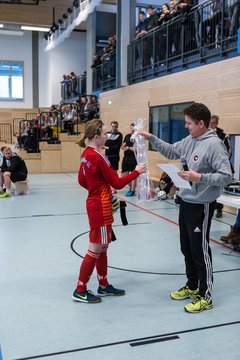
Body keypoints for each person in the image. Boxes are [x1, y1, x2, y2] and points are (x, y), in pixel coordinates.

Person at [139, 102, 232, 313]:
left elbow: (226, 176)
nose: (186, 126)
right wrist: (150, 137)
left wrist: (200, 177)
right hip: (186, 202)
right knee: (187, 248)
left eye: (189, 123)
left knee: (200, 251)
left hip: (202, 205)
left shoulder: (214, 145)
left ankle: (205, 295)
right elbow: (171, 150)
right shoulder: (191, 139)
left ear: (201, 123)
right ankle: (192, 286)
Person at [72, 119, 146, 303]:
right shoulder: (97, 156)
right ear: (96, 136)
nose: (107, 136)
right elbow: (118, 183)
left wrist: (98, 187)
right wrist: (137, 171)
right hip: (101, 207)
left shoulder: (87, 154)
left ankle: (103, 285)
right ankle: (80, 289)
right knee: (95, 248)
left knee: (103, 247)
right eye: (105, 134)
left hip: (96, 202)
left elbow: (82, 180)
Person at [209, 114, 233, 218]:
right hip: (209, 168)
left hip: (220, 167)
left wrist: (221, 162)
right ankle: (210, 206)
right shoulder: (204, 134)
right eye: (209, 123)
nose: (211, 125)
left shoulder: (223, 135)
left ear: (217, 123)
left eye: (213, 123)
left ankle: (219, 209)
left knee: (219, 190)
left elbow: (229, 151)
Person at [121, 123, 138, 197]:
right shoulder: (127, 136)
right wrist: (123, 146)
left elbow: (137, 149)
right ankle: (131, 187)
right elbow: (123, 145)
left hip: (133, 157)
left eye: (133, 128)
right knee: (124, 175)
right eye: (131, 128)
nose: (132, 130)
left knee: (133, 174)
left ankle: (132, 190)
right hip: (126, 157)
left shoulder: (138, 137)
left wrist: (128, 148)